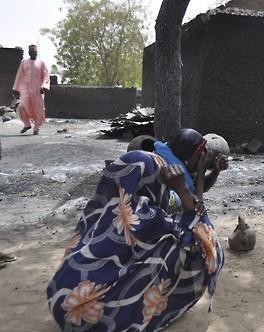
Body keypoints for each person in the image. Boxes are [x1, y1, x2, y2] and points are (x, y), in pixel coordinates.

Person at [47, 128, 228, 331]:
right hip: (91, 322)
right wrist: (185, 188)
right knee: (189, 247)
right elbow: (200, 223)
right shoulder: (150, 219)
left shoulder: (100, 214)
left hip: (58, 302)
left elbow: (192, 197)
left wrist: (206, 175)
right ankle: (155, 307)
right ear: (194, 155)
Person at [12, 44, 50, 135]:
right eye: (31, 51)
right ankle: (27, 124)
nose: (33, 53)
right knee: (22, 106)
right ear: (29, 52)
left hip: (38, 89)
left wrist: (44, 86)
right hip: (25, 87)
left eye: (34, 51)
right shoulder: (24, 62)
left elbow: (46, 76)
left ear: (37, 52)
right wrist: (16, 88)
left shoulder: (41, 63)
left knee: (38, 109)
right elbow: (19, 75)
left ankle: (36, 128)